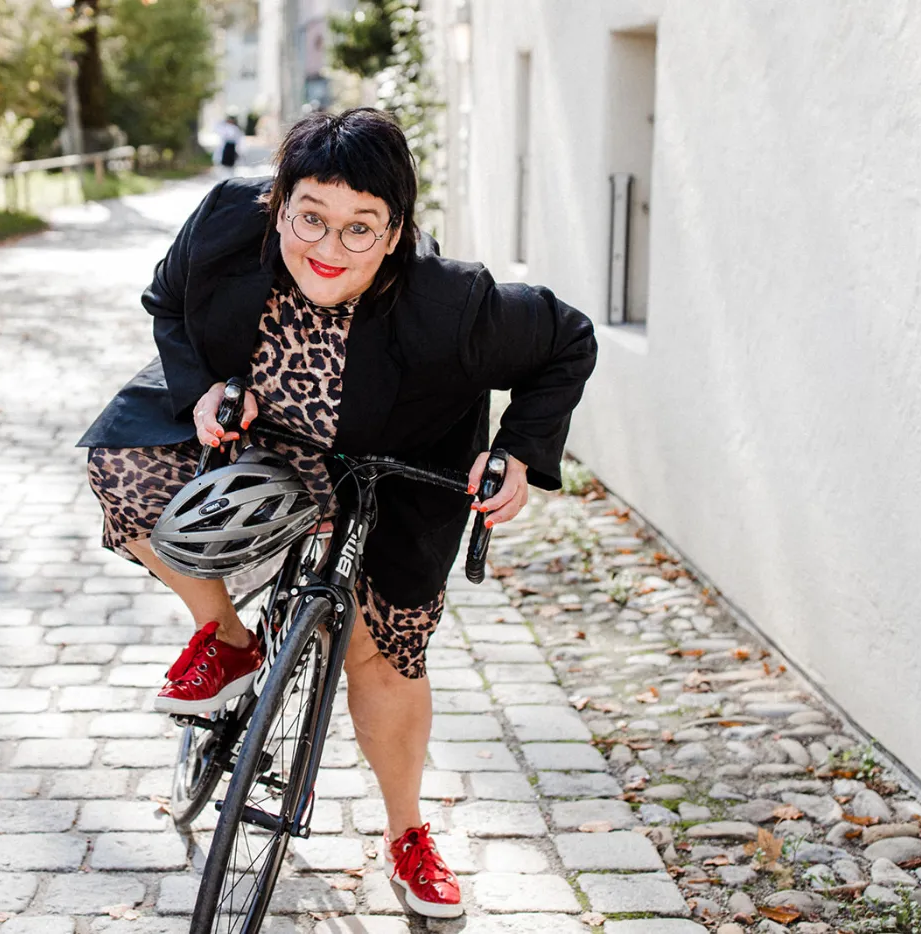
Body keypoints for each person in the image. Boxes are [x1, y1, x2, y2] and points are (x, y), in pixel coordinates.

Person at [78, 108, 597, 919]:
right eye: (310, 218)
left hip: (396, 467)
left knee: (381, 653)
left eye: (361, 228)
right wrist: (203, 388)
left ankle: (407, 832)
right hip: (260, 433)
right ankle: (229, 639)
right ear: (278, 204)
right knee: (126, 467)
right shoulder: (226, 222)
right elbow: (167, 301)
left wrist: (517, 452)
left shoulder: (453, 303)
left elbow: (568, 340)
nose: (329, 247)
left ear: (395, 234)